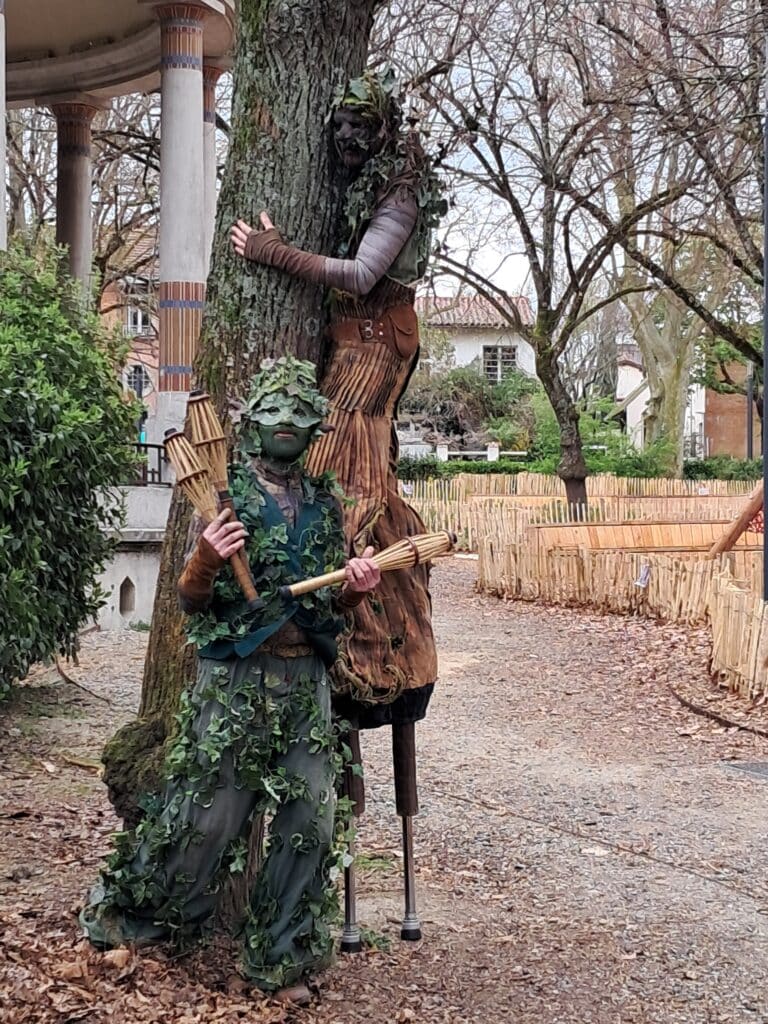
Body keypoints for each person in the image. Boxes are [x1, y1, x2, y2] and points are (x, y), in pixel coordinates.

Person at [80, 357, 381, 1005]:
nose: (284, 425)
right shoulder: (224, 495)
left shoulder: (326, 507)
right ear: (250, 423)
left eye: (298, 415)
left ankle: (276, 957)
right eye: (272, 412)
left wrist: (356, 588)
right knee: (210, 818)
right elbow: (191, 600)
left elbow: (333, 608)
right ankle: (138, 923)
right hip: (236, 682)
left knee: (312, 818)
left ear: (314, 428)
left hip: (306, 686)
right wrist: (207, 556)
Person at [231, 68, 446, 726]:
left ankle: (361, 655)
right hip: (356, 341)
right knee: (355, 476)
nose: (348, 137)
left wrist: (276, 254)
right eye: (340, 125)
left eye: (362, 126)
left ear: (385, 130)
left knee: (345, 479)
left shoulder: (401, 191)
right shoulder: (358, 182)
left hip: (374, 349)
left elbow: (359, 273)